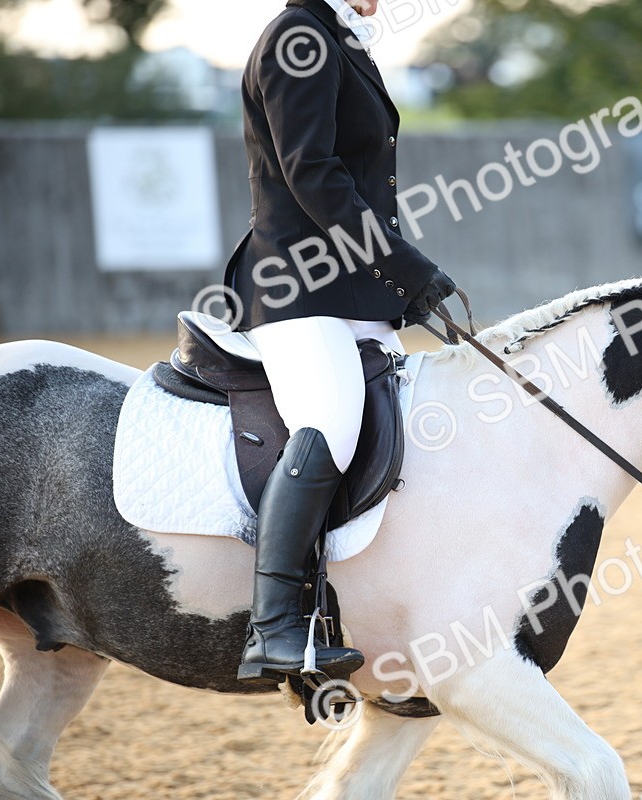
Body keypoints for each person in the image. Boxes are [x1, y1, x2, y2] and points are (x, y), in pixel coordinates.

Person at [222, 0, 455, 683]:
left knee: (412, 426)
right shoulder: (298, 37)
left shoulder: (338, 39)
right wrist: (405, 267)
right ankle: (276, 629)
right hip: (296, 285)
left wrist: (397, 285)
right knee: (331, 422)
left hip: (348, 288)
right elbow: (313, 175)